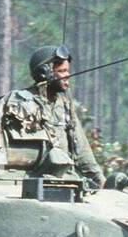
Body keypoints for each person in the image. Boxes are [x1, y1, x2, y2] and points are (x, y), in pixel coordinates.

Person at [24, 45, 106, 189]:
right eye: (62, 71)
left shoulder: (65, 105)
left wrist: (101, 181)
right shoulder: (23, 102)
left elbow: (82, 150)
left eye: (67, 70)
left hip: (67, 181)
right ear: (45, 73)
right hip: (33, 182)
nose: (68, 76)